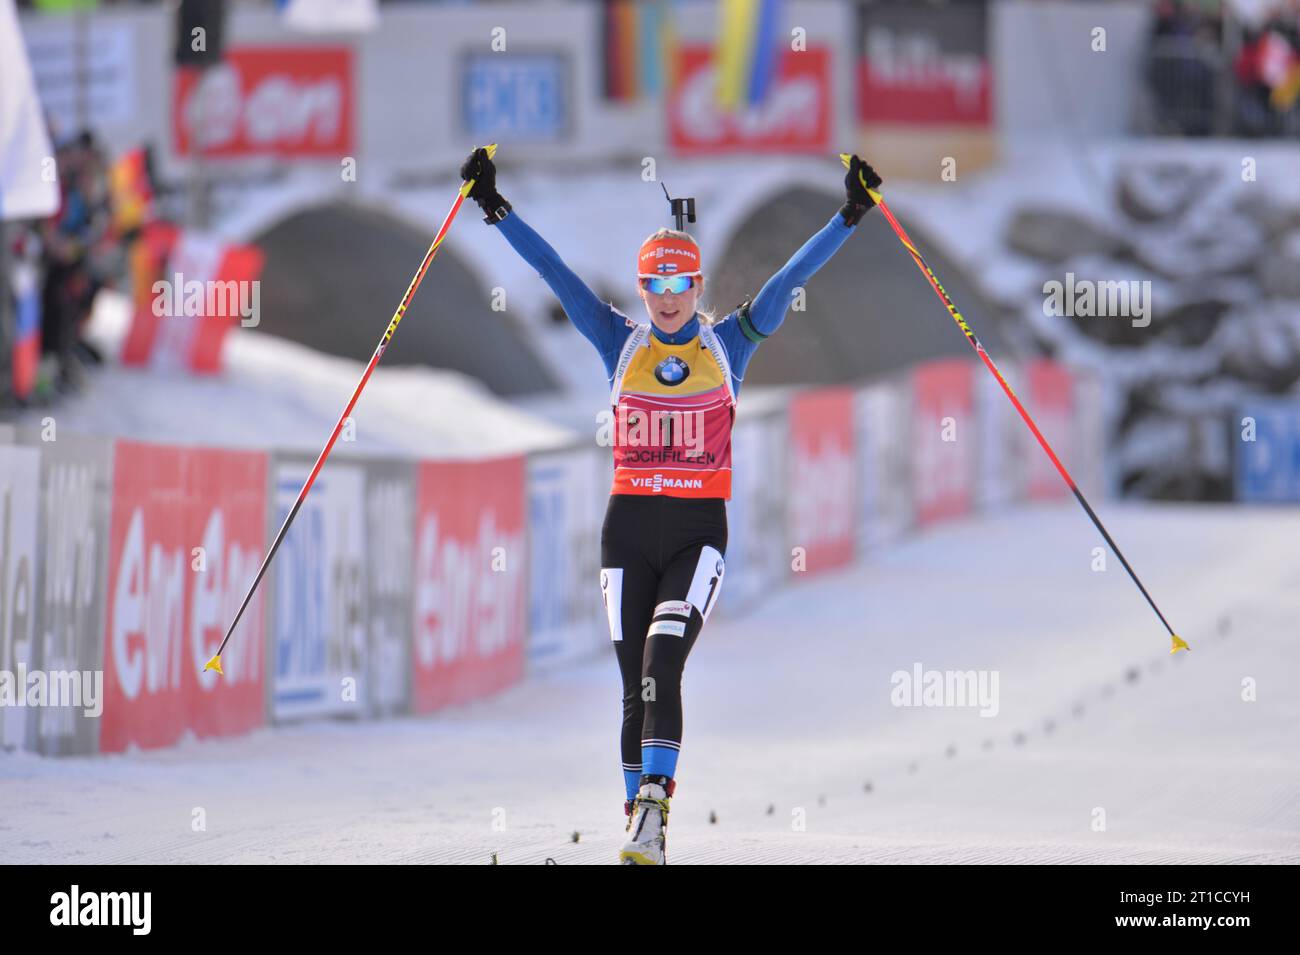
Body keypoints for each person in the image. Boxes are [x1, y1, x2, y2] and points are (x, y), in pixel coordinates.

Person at [461, 147, 882, 864]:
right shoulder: (617, 341)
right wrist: (494, 206)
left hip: (696, 533)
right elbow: (553, 272)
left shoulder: (730, 345)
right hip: (626, 530)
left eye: (677, 282)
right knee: (633, 685)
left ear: (694, 284)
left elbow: (789, 280)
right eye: (652, 283)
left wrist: (849, 212)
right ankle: (640, 827)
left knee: (662, 660)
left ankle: (656, 809)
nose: (664, 296)